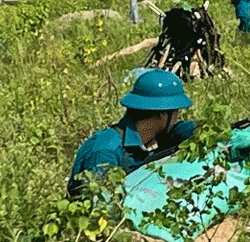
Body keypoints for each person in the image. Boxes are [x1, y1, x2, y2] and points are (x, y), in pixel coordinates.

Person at [67, 68, 197, 198]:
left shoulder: (153, 138)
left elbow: (190, 130)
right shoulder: (105, 151)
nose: (176, 118)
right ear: (163, 114)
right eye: (176, 112)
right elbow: (98, 205)